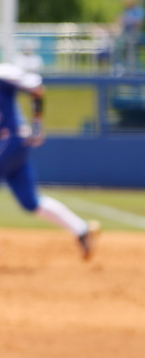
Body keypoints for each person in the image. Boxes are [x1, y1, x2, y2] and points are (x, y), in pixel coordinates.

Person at [0, 64, 99, 259]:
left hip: (10, 140)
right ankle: (82, 230)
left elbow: (35, 87)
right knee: (31, 202)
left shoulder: (3, 73)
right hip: (15, 145)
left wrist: (38, 124)